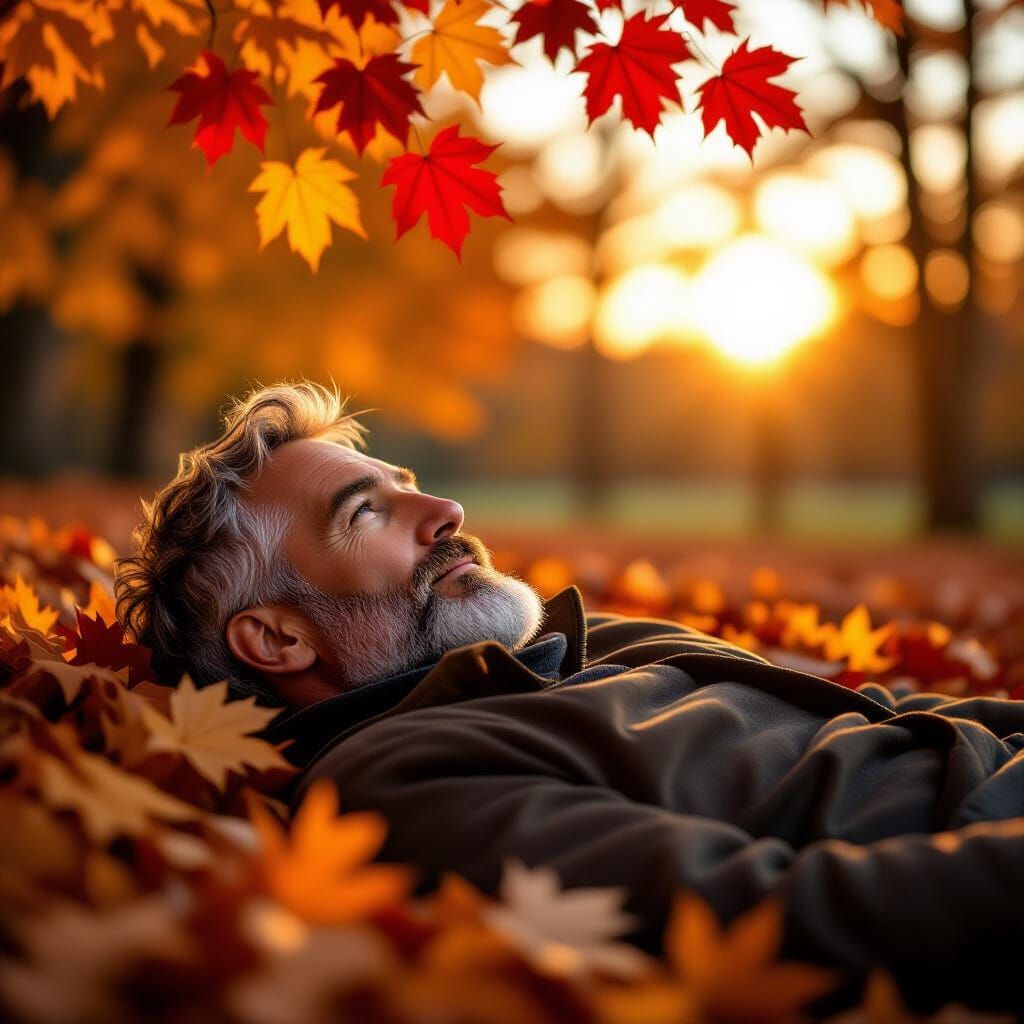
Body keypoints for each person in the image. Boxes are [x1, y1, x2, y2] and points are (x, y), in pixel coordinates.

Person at [115, 380, 1024, 1018]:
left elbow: (899, 719)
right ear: (279, 638)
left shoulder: (581, 643)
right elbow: (793, 918)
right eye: (368, 513)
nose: (445, 510)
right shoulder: (407, 777)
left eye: (407, 484)